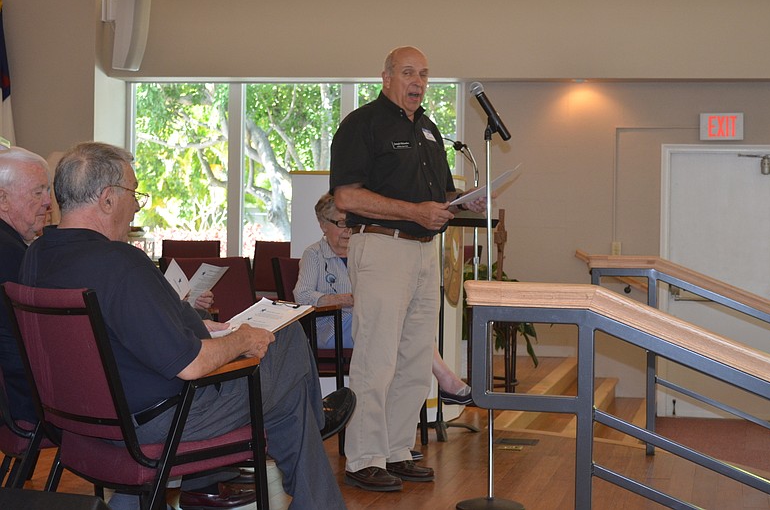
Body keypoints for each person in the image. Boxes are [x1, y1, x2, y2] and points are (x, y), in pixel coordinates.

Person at [19, 142, 352, 510]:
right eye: (133, 194)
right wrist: (242, 338)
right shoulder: (121, 263)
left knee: (285, 399)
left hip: (82, 422)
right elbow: (190, 364)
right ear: (108, 199)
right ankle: (318, 434)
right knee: (285, 339)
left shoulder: (37, 257)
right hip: (163, 421)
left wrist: (212, 330)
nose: (136, 206)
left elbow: (125, 340)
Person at [330, 46, 486, 492]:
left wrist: (462, 201)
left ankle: (397, 451)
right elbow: (347, 197)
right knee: (377, 359)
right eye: (407, 73)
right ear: (386, 78)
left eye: (424, 74)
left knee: (416, 360)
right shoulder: (362, 125)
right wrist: (414, 212)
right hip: (381, 247)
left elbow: (435, 196)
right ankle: (363, 458)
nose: (417, 82)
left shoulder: (430, 131)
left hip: (423, 253)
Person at [293, 193, 472, 405]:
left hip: (366, 319)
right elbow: (302, 296)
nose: (348, 231)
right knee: (400, 326)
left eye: (351, 223)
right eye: (341, 223)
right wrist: (344, 299)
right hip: (331, 327)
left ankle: (406, 401)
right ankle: (446, 380)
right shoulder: (314, 254)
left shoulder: (363, 251)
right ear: (323, 224)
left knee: (410, 325)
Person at [0, 147, 52, 425]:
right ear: (2, 199)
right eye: (38, 192)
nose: (48, 202)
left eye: (48, 191)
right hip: (23, 400)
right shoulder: (12, 255)